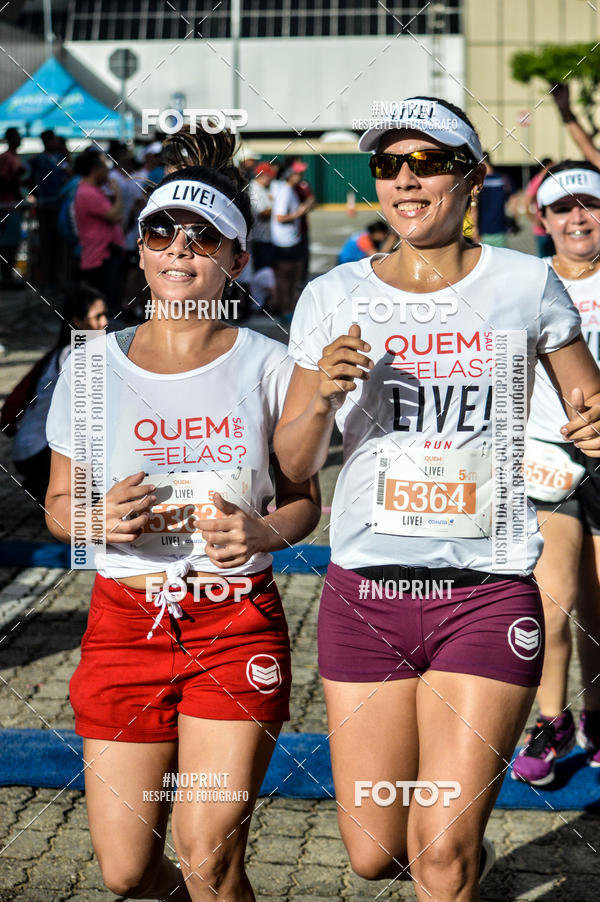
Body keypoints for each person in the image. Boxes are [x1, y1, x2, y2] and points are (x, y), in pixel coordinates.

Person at [273, 95, 600, 900]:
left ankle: (455, 863)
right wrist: (322, 399)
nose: (405, 180)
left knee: (440, 855)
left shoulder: (528, 285)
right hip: (367, 594)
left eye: (429, 161)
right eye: (388, 165)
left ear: (475, 177)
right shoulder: (333, 296)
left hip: (487, 595)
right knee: (374, 853)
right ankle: (457, 861)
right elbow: (293, 462)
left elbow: (590, 404)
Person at [45, 132, 321, 901]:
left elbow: (304, 504)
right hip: (123, 622)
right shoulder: (91, 364)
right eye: (161, 231)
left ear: (236, 257)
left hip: (233, 623)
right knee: (128, 871)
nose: (179, 249)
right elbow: (60, 511)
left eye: (204, 237)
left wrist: (261, 532)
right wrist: (97, 521)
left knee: (209, 858)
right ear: (139, 251)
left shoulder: (270, 364)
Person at [513, 160, 600, 786]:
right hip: (549, 461)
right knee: (554, 602)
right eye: (563, 209)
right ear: (542, 220)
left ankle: (596, 717)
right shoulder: (526, 283)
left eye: (589, 206)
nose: (578, 218)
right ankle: (551, 719)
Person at [9, 285, 108, 503]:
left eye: (105, 315)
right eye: (98, 316)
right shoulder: (73, 355)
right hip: (37, 449)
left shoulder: (69, 350)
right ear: (78, 321)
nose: (105, 322)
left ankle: (43, 485)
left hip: (31, 446)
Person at [73, 147, 125, 315]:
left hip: (104, 254)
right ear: (95, 169)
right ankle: (97, 338)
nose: (108, 172)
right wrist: (118, 195)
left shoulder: (93, 190)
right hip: (98, 257)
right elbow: (115, 216)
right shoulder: (88, 192)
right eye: (104, 167)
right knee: (101, 303)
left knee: (106, 300)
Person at [29, 129, 68, 291]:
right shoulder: (38, 160)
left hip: (59, 206)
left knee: (59, 245)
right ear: (47, 141)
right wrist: (36, 195)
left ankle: (56, 280)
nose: (57, 142)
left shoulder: (60, 158)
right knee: (47, 244)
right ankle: (45, 281)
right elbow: (28, 178)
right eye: (54, 140)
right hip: (46, 207)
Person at [271, 162, 310, 320]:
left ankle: (289, 309)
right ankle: (285, 310)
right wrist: (299, 214)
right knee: (287, 278)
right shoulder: (286, 191)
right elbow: (279, 217)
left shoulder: (290, 190)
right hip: (285, 242)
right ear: (289, 175)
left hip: (291, 239)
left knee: (294, 277)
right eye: (297, 174)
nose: (300, 177)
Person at [0, 127, 26, 289]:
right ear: (10, 139)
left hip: (15, 206)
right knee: (7, 244)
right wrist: (17, 177)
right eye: (17, 136)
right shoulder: (5, 158)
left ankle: (9, 276)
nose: (20, 139)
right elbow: (3, 182)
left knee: (14, 243)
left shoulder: (16, 158)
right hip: (6, 206)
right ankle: (6, 277)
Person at [471, 151, 514, 246]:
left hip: (483, 232)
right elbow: (513, 201)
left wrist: (474, 229)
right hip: (500, 230)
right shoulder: (503, 179)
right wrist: (513, 221)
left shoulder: (478, 182)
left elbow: (474, 206)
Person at [248, 162, 276, 271]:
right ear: (262, 176)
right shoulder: (254, 190)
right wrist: (277, 207)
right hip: (260, 238)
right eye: (269, 176)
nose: (271, 179)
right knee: (263, 272)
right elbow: (261, 214)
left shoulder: (264, 188)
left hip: (267, 237)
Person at [524, 157, 555, 257]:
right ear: (545, 167)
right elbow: (527, 202)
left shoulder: (551, 179)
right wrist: (535, 220)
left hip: (553, 227)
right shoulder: (538, 180)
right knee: (545, 257)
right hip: (542, 230)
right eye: (552, 166)